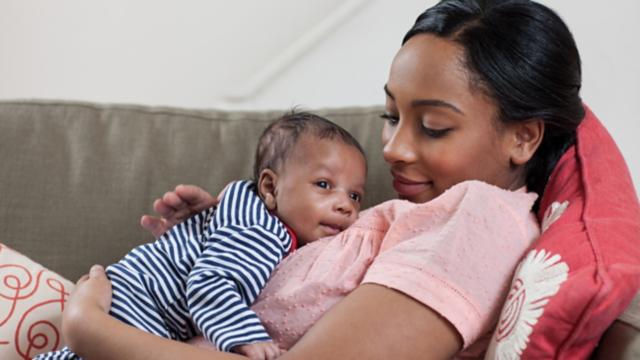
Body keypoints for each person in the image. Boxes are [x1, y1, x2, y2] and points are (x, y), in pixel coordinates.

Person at [57, 0, 587, 358]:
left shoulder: (479, 219)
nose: (394, 149)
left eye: (432, 126)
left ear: (523, 137)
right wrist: (231, 220)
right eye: (391, 117)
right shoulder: (420, 210)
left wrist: (92, 330)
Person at [37, 111, 367, 360]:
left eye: (355, 196)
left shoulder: (246, 207)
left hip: (130, 296)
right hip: (141, 307)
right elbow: (208, 283)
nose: (344, 206)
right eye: (324, 185)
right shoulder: (261, 232)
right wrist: (248, 339)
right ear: (270, 186)